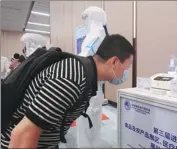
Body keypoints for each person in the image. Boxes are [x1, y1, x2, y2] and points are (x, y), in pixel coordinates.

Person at [1, 34, 135, 148]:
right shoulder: (72, 77)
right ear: (114, 62)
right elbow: (23, 135)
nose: (125, 73)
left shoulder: (85, 74)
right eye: (126, 67)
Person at [75, 6, 111, 148]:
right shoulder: (96, 33)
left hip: (90, 89)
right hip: (92, 88)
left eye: (85, 17)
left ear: (93, 17)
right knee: (90, 126)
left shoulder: (97, 33)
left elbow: (85, 57)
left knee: (87, 126)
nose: (84, 21)